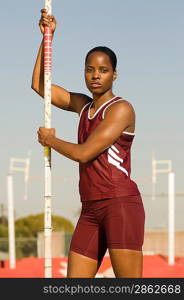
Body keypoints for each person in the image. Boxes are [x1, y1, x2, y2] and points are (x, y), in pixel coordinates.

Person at [32, 8, 145, 278]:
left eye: (103, 70)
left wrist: (51, 140)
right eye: (90, 70)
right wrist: (47, 38)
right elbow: (40, 86)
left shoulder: (121, 110)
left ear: (114, 75)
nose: (96, 75)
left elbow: (85, 153)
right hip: (90, 209)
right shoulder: (83, 106)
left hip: (120, 205)